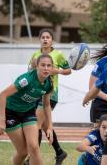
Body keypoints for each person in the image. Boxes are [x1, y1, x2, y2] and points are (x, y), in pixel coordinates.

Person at [0, 53, 54, 165]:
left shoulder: (49, 84)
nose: (46, 68)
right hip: (10, 113)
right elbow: (2, 95)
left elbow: (46, 105)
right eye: (43, 65)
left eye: (49, 65)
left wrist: (50, 127)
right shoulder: (26, 80)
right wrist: (2, 121)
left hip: (28, 112)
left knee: (34, 147)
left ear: (52, 68)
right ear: (37, 66)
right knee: (23, 152)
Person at [27, 29, 71, 165]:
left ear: (52, 40)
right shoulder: (35, 55)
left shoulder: (58, 55)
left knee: (37, 125)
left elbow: (68, 70)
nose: (45, 39)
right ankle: (60, 152)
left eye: (48, 37)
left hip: (51, 93)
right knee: (46, 127)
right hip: (36, 93)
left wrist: (57, 70)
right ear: (39, 40)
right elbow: (29, 72)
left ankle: (32, 159)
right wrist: (33, 68)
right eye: (43, 37)